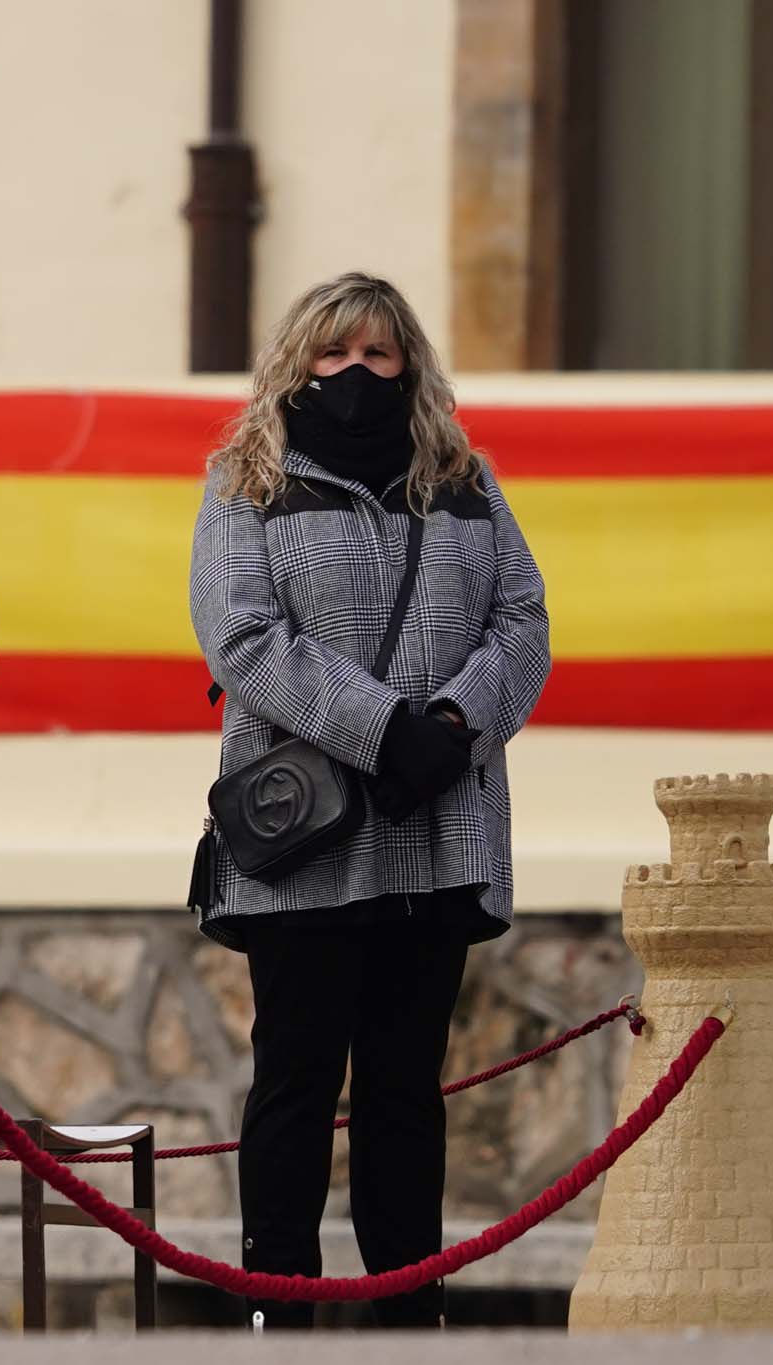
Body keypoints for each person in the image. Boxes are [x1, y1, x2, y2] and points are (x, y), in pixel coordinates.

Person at [189, 272, 551, 1328]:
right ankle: (279, 1318)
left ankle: (408, 1320)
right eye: (331, 353)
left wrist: (451, 726)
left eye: (376, 354)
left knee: (404, 1093)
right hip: (305, 841)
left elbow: (521, 622)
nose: (352, 373)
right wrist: (380, 728)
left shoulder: (465, 485)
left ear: (410, 365)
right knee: (294, 1088)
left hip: (432, 835)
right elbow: (242, 639)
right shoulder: (241, 482)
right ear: (294, 362)